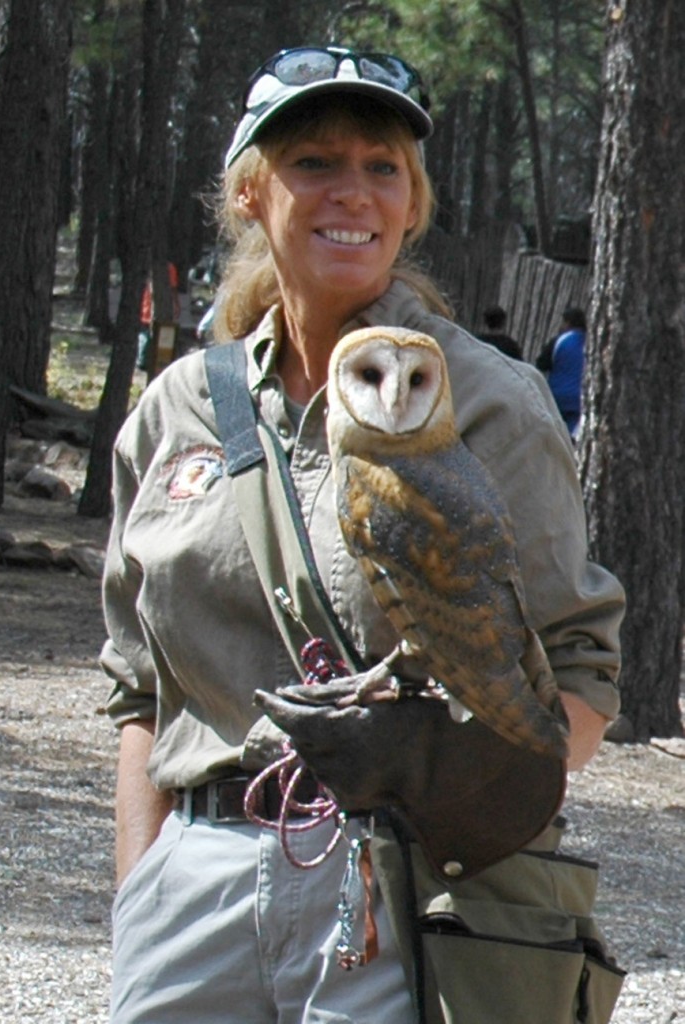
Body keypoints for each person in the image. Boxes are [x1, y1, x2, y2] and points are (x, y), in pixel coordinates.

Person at [101, 45, 625, 1023]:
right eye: (316, 163)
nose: (354, 192)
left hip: (395, 878)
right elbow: (139, 687)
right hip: (196, 883)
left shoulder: (489, 402)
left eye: (382, 167)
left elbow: (581, 677)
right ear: (253, 192)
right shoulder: (180, 409)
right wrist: (144, 890)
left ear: (414, 203)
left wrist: (458, 779)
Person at [535, 306, 587, 437]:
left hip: (557, 397)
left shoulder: (559, 341)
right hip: (579, 399)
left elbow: (541, 364)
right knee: (572, 437)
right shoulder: (590, 343)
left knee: (554, 435)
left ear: (568, 323)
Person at [136, 260, 181, 372]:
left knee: (148, 335)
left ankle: (147, 360)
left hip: (154, 308)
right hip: (148, 307)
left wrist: (175, 304)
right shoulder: (165, 268)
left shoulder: (154, 267)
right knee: (146, 335)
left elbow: (173, 288)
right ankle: (143, 360)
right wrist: (176, 304)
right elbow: (173, 289)